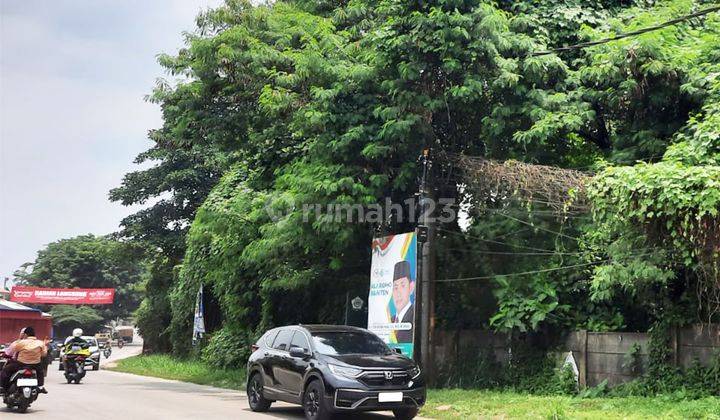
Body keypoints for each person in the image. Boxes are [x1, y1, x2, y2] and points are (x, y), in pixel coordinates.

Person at [1, 327, 48, 394]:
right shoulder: (40, 343)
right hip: (35, 365)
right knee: (40, 372)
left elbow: (14, 351)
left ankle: (2, 387)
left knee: (5, 370)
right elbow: (44, 354)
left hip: (21, 364)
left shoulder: (20, 342)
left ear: (25, 334)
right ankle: (40, 387)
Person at [391, 260, 415, 343]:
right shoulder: (390, 320)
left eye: (403, 285)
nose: (398, 293)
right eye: (395, 287)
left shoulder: (415, 316)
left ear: (411, 287)